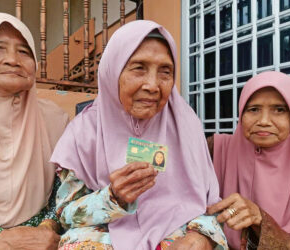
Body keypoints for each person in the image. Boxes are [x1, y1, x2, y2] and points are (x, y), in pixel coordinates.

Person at [51, 20, 228, 250]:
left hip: (177, 234)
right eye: (139, 68)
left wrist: (201, 237)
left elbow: (211, 204)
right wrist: (112, 197)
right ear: (113, 70)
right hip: (107, 234)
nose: (153, 85)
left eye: (165, 72)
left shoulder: (185, 124)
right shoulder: (84, 131)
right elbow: (65, 214)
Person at [0, 13, 68, 249]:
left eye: (24, 52)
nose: (13, 60)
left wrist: (48, 227)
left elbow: (66, 192)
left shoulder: (56, 119)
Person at [206, 71, 290, 249]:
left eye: (279, 110)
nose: (264, 121)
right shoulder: (217, 150)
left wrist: (261, 221)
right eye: (253, 109)